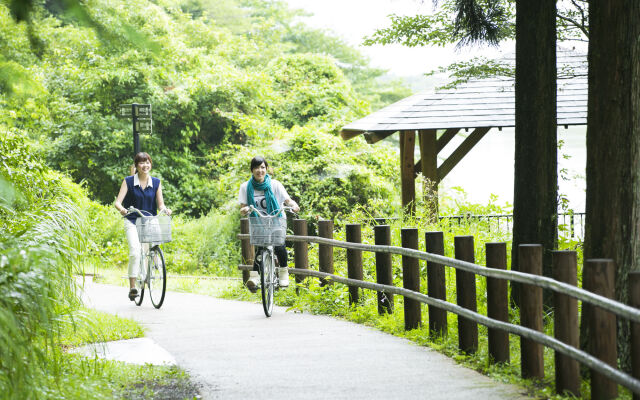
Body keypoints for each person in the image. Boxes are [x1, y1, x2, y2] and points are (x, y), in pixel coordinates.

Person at [114, 152, 171, 301]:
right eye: (141, 163)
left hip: (149, 219)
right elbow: (117, 202)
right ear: (136, 166)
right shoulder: (128, 181)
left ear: (150, 164)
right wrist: (122, 210)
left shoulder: (156, 182)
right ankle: (133, 287)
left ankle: (155, 261)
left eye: (147, 162)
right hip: (132, 220)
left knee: (156, 242)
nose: (145, 165)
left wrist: (165, 210)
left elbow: (160, 204)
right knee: (135, 251)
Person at [239, 156, 299, 292]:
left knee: (280, 247)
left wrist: (294, 205)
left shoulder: (275, 185)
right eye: (256, 168)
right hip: (258, 221)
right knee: (260, 249)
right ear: (252, 170)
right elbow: (242, 208)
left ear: (266, 169)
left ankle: (283, 274)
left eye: (262, 167)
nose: (259, 170)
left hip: (276, 219)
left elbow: (288, 200)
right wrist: (246, 209)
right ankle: (254, 278)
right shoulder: (245, 187)